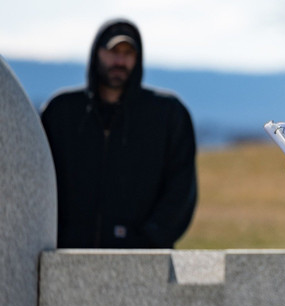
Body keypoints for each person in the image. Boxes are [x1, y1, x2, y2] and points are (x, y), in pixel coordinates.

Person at [40, 19, 197, 248]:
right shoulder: (61, 113)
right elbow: (38, 178)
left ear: (138, 58)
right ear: (97, 54)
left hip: (143, 259)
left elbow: (182, 186)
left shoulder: (167, 115)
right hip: (67, 256)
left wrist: (150, 240)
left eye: (128, 53)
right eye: (113, 51)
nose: (120, 61)